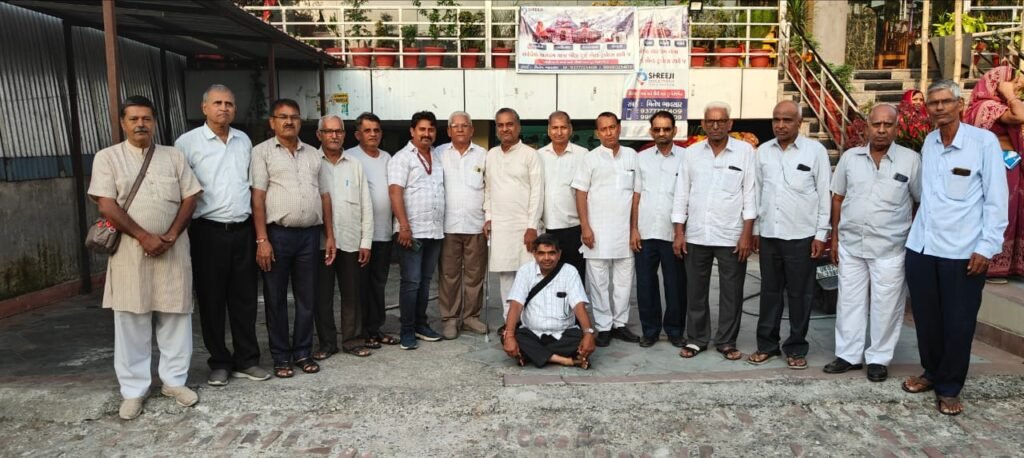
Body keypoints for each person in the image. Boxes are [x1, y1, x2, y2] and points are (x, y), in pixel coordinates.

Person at [88, 95, 203, 420]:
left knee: (175, 317)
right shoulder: (107, 158)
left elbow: (191, 197)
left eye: (146, 119)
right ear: (122, 123)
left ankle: (174, 382)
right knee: (131, 320)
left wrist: (171, 235)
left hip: (172, 249)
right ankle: (133, 391)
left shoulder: (173, 156)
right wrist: (143, 236)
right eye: (134, 119)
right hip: (130, 252)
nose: (141, 124)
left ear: (154, 122)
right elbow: (106, 205)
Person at [904, 80, 1008, 416]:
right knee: (926, 319)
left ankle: (949, 387)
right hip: (922, 247)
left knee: (959, 322)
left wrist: (986, 247)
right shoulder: (930, 142)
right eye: (933, 103)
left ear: (960, 104)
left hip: (962, 252)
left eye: (945, 101)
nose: (939, 108)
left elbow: (997, 200)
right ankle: (931, 372)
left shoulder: (983, 143)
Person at [176, 84, 269, 387]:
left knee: (245, 300)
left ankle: (247, 360)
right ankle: (219, 362)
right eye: (217, 103)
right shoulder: (186, 143)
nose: (223, 108)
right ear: (204, 108)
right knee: (211, 300)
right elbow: (180, 190)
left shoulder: (244, 141)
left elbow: (251, 187)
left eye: (229, 103)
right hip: (208, 232)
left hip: (242, 231)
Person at [824, 104, 921, 383]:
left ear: (896, 128)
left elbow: (920, 201)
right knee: (849, 302)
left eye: (887, 125)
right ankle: (848, 356)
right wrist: (834, 238)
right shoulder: (850, 158)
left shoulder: (911, 160)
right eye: (876, 124)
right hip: (851, 244)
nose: (881, 130)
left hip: (890, 248)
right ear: (867, 127)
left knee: (886, 306)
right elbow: (838, 197)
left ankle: (878, 359)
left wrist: (913, 240)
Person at [251, 98, 336, 378]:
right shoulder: (262, 152)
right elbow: (258, 198)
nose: (289, 121)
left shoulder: (313, 154)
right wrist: (262, 239)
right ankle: (280, 356)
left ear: (301, 121)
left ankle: (302, 352)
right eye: (283, 117)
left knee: (307, 297)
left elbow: (325, 196)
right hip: (277, 235)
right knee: (275, 298)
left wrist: (329, 236)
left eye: (294, 117)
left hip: (309, 236)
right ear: (272, 122)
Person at [748, 100, 831, 370]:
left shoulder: (815, 151)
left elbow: (824, 195)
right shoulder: (763, 152)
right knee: (769, 293)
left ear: (799, 123)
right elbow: (757, 193)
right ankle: (766, 345)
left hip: (802, 236)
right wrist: (756, 230)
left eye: (787, 120)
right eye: (776, 119)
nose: (780, 125)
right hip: (770, 234)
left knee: (800, 295)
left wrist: (821, 235)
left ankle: (796, 347)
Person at [672, 102, 756, 360]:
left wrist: (747, 234)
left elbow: (750, 194)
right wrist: (679, 232)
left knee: (732, 292)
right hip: (697, 234)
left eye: (721, 121)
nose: (716, 126)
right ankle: (697, 339)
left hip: (731, 235)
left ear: (730, 124)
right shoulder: (691, 153)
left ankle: (727, 341)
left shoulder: (745, 152)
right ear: (703, 124)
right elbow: (681, 193)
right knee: (696, 291)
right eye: (710, 121)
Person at [573, 112, 642, 347]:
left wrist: (634, 228)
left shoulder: (631, 156)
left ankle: (620, 324)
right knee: (598, 282)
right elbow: (580, 193)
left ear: (619, 128)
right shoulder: (590, 159)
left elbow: (636, 194)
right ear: (597, 133)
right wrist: (585, 227)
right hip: (597, 232)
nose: (609, 132)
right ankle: (603, 326)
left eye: (612, 127)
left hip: (624, 232)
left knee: (624, 281)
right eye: (603, 129)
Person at [313, 115, 374, 360]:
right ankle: (327, 343)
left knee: (352, 294)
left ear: (344, 135)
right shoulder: (312, 161)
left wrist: (366, 241)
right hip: (320, 243)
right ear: (319, 135)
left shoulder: (354, 164)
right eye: (329, 131)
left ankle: (352, 340)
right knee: (322, 296)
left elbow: (366, 204)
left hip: (350, 240)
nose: (334, 136)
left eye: (338, 131)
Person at [389, 111, 445, 350]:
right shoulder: (402, 158)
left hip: (434, 231)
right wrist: (403, 226)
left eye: (431, 129)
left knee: (425, 281)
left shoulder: (437, 156)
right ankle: (407, 330)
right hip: (411, 231)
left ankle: (421, 325)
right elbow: (395, 192)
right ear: (412, 131)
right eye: (422, 129)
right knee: (411, 282)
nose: (427, 134)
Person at [962, 66, 1024, 281]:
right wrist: (1010, 95)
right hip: (999, 166)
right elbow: (1020, 115)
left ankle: (1010, 264)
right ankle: (993, 265)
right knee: (1001, 212)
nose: (1017, 85)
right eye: (1012, 81)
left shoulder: (999, 105)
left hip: (1010, 165)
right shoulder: (987, 106)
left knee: (1012, 213)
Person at [501, 233, 597, 369]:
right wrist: (510, 335)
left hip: (563, 333)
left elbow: (579, 306)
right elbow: (516, 305)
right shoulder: (525, 272)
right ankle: (564, 360)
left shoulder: (570, 272)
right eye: (541, 253)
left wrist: (588, 333)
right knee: (508, 336)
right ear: (534, 254)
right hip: (532, 332)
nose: (546, 258)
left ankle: (533, 355)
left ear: (559, 254)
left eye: (551, 253)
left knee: (584, 337)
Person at [346, 112, 400, 347]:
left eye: (376, 130)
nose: (373, 134)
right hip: (360, 237)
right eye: (367, 130)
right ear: (358, 134)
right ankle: (361, 332)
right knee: (360, 286)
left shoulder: (387, 158)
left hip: (383, 233)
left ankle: (376, 329)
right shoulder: (350, 157)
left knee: (378, 285)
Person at [484, 108, 543, 320]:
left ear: (518, 127)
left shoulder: (530, 154)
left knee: (528, 274)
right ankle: (510, 322)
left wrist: (532, 226)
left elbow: (537, 192)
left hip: (524, 225)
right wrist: (488, 218)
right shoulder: (491, 155)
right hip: (500, 225)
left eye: (509, 124)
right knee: (506, 275)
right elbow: (488, 189)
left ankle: (530, 321)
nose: (505, 129)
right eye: (500, 125)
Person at [634, 110, 686, 348]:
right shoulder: (641, 158)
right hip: (645, 231)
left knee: (675, 285)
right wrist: (633, 229)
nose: (662, 133)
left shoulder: (686, 157)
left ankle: (675, 331)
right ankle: (650, 330)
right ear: (651, 131)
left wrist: (681, 233)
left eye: (666, 129)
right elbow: (636, 196)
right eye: (657, 129)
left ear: (675, 130)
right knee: (646, 285)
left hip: (673, 233)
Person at [437, 111, 489, 339]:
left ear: (472, 129)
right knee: (449, 275)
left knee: (475, 275)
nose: (460, 129)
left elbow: (490, 188)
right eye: (455, 126)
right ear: (449, 130)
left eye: (464, 125)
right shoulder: (438, 153)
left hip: (476, 225)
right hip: (448, 225)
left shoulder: (483, 155)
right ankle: (450, 318)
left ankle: (470, 317)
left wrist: (489, 217)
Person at [538, 111, 588, 279]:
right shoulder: (539, 156)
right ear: (548, 130)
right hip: (547, 227)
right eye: (555, 128)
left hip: (574, 228)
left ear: (570, 129)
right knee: (549, 278)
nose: (559, 132)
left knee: (575, 276)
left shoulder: (583, 155)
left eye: (563, 127)